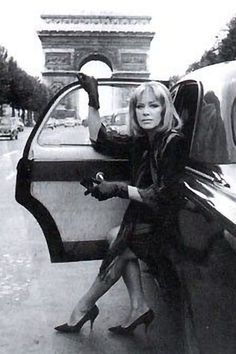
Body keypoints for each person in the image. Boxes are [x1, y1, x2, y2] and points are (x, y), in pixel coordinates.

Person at [55, 73, 188, 335]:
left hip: (170, 224)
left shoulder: (174, 142)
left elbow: (165, 196)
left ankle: (83, 308)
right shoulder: (142, 141)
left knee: (120, 245)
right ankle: (138, 306)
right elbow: (99, 138)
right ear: (133, 110)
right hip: (149, 218)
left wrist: (118, 188)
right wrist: (93, 99)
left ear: (165, 108)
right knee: (116, 236)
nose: (146, 112)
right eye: (140, 106)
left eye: (154, 105)